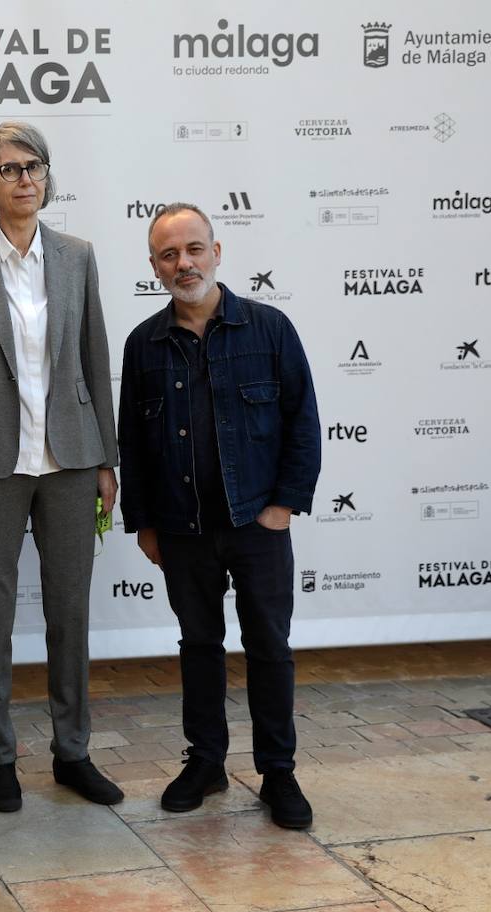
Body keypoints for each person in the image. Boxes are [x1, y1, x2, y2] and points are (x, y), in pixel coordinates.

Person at [0, 121, 122, 812]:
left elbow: (96, 362)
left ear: (46, 175)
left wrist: (107, 457)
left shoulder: (79, 256)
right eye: (8, 169)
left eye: (33, 166)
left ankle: (73, 751)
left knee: (71, 612)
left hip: (72, 456)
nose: (23, 179)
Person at [118, 203, 321, 829]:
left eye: (194, 250)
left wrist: (282, 509)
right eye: (170, 255)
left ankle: (278, 772)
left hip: (257, 525)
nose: (185, 264)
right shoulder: (143, 344)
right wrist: (144, 523)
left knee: (269, 647)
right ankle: (205, 762)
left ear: (217, 251)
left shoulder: (270, 329)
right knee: (199, 647)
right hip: (182, 531)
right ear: (154, 266)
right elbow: (134, 441)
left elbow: (303, 424)